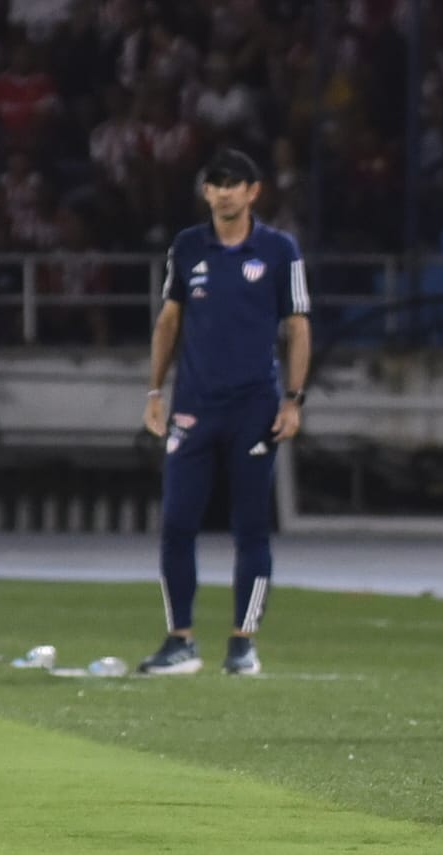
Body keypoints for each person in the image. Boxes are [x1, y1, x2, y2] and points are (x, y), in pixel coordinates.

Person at [137, 148, 311, 676]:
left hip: (255, 407)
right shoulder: (188, 247)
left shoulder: (280, 250)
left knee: (252, 527)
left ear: (254, 191)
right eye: (217, 183)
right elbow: (170, 321)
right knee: (177, 524)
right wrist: (154, 392)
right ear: (206, 192)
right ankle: (180, 640)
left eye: (236, 182)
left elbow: (298, 325)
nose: (227, 191)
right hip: (193, 405)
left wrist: (294, 400)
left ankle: (243, 641)